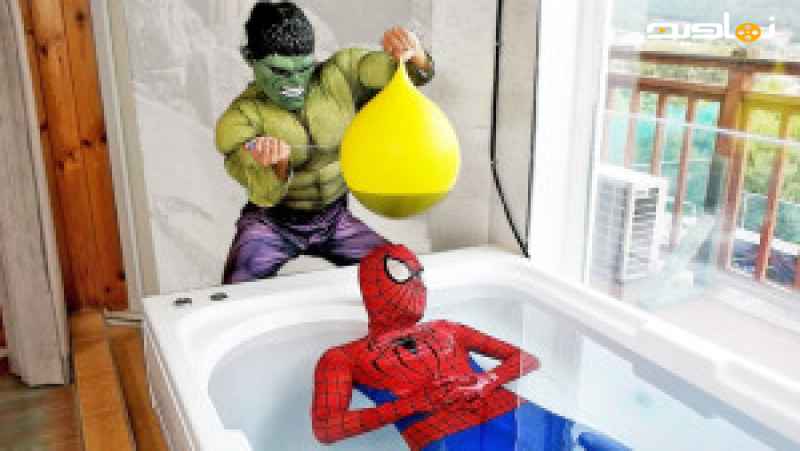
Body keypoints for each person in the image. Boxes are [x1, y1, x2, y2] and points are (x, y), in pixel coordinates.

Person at [311, 244, 631, 451]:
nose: (417, 284)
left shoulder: (447, 329)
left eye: (419, 275)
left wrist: (485, 381)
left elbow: (525, 358)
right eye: (401, 273)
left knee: (585, 440)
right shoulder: (343, 357)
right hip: (447, 437)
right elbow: (326, 428)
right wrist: (416, 403)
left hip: (518, 413)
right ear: (372, 284)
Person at [216, 2, 435, 284]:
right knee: (234, 296)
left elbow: (411, 73)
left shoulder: (341, 75)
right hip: (271, 224)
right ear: (251, 60)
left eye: (303, 68)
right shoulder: (239, 120)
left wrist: (415, 55)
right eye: (280, 72)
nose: (295, 82)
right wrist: (278, 166)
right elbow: (265, 194)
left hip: (334, 220)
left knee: (401, 275)